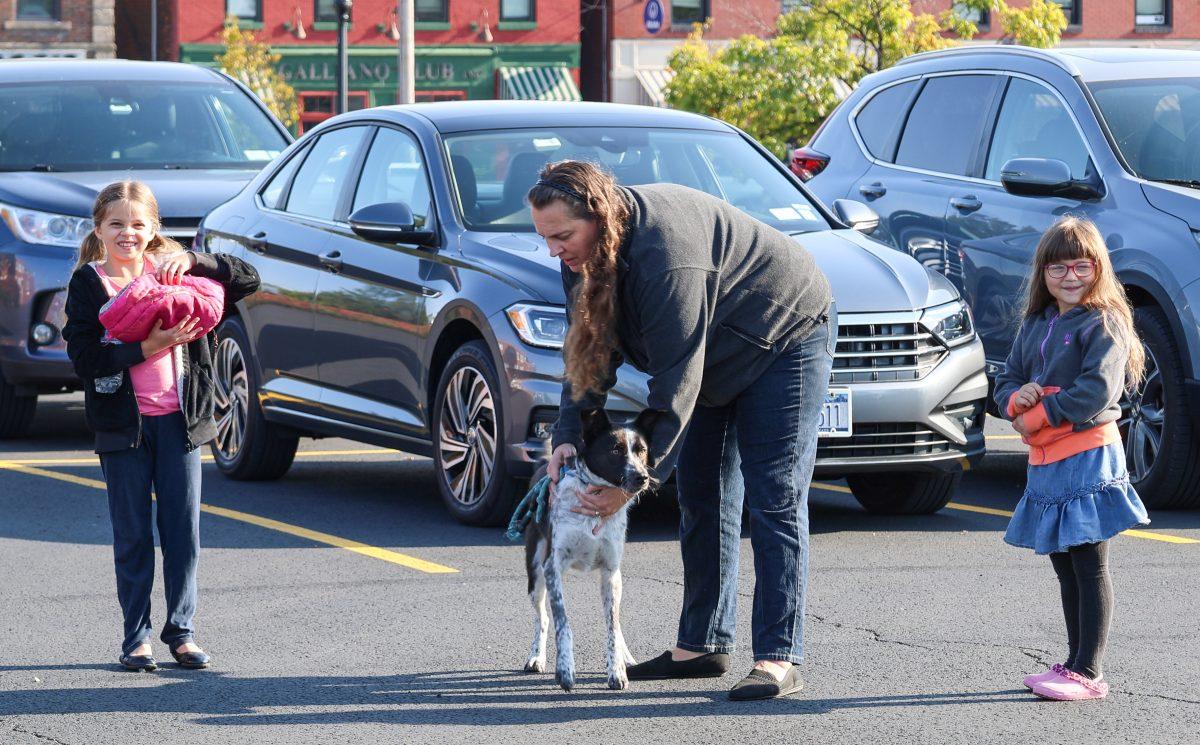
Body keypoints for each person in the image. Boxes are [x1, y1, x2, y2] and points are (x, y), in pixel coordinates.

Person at [531, 161, 834, 701]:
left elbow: (675, 382)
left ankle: (778, 657)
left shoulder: (665, 255)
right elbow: (589, 350)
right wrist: (568, 436)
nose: (554, 250)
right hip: (713, 352)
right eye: (545, 238)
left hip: (782, 334)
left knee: (775, 497)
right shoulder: (583, 255)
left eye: (562, 236)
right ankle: (702, 645)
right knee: (702, 493)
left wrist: (631, 484)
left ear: (599, 217)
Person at [62, 181, 260, 671]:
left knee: (182, 532)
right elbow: (84, 358)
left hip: (181, 423)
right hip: (122, 428)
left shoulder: (175, 270)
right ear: (99, 229)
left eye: (137, 224)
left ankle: (182, 632)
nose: (126, 233)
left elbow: (247, 279)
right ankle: (137, 639)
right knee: (133, 535)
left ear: (154, 228)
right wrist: (147, 348)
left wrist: (194, 260)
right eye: (116, 224)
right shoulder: (89, 283)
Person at [994, 216, 1149, 701]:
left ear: (1099, 269)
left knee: (1089, 561)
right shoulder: (1036, 323)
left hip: (1088, 454)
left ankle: (1089, 672)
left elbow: (1095, 391)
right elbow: (1007, 377)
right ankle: (1073, 662)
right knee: (1064, 563)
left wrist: (1037, 415)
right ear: (1043, 272)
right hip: (1047, 460)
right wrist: (1015, 399)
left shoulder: (1106, 322)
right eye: (1058, 268)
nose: (1070, 276)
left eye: (1082, 266)